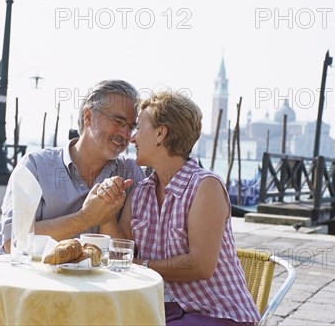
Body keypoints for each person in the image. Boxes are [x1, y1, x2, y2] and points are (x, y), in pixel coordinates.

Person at [101, 91, 260, 325]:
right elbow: (121, 251)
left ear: (160, 134)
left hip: (217, 313)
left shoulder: (205, 187)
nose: (132, 139)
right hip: (163, 311)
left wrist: (141, 267)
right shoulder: (142, 191)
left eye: (140, 129)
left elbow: (200, 265)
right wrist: (104, 212)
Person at [0, 80, 145, 254]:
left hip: (96, 279)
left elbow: (126, 255)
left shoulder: (131, 173)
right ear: (88, 116)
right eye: (118, 122)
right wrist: (85, 218)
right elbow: (13, 242)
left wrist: (106, 216)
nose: (126, 134)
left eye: (131, 127)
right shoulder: (36, 166)